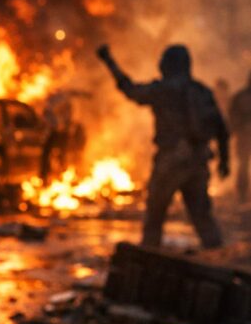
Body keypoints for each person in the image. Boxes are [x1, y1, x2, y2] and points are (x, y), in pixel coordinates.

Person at [97, 44, 228, 249]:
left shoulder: (163, 90)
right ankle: (222, 263)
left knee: (154, 218)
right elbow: (221, 128)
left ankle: (148, 263)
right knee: (203, 219)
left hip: (170, 163)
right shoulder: (201, 91)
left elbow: (130, 90)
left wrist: (109, 61)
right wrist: (224, 161)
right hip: (198, 163)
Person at [229, 72, 251, 202]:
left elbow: (232, 116)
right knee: (243, 165)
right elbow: (232, 116)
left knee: (243, 164)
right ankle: (242, 193)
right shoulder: (240, 97)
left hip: (243, 135)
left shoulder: (239, 96)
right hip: (244, 135)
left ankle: (242, 194)